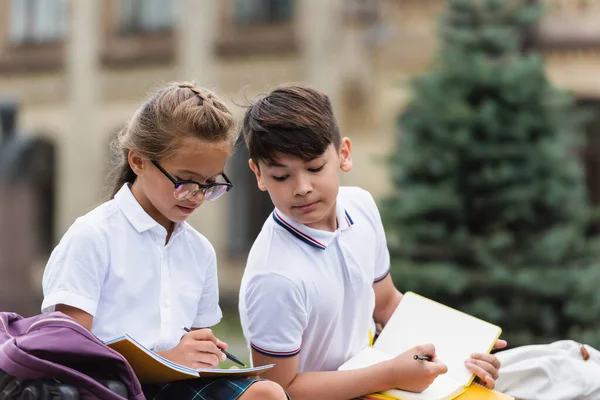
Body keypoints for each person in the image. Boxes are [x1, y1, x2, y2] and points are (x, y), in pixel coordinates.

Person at [238, 84, 507, 399]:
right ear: (258, 174)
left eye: (314, 168)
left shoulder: (360, 206)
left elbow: (387, 304)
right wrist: (390, 373)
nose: (302, 187)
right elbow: (281, 390)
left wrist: (462, 350)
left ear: (343, 155)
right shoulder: (275, 277)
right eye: (281, 177)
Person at [41, 81, 287, 400]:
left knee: (266, 393)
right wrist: (166, 360)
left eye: (210, 183)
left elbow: (197, 341)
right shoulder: (93, 236)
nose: (197, 196)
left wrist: (206, 353)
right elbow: (68, 352)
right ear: (138, 161)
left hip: (174, 387)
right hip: (107, 390)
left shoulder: (199, 251)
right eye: (184, 182)